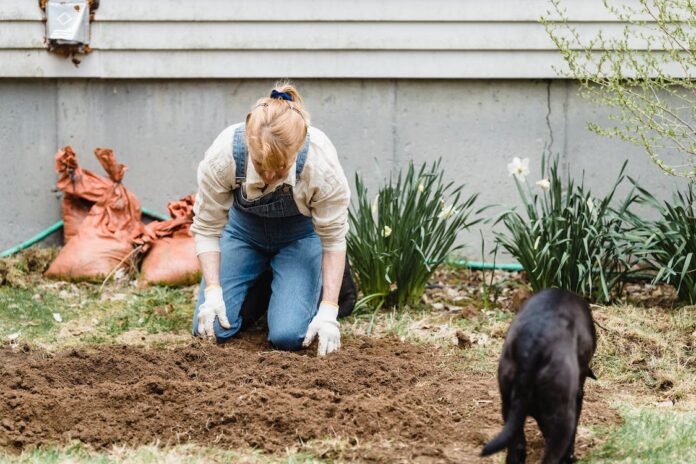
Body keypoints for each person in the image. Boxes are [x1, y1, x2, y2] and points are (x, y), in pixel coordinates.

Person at [190, 82, 350, 356]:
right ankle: (266, 282)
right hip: (243, 233)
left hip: (299, 238)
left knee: (289, 336)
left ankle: (313, 283)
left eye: (279, 169)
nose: (267, 177)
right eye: (261, 166)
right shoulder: (225, 154)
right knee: (212, 330)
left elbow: (334, 240)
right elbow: (206, 227)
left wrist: (329, 311)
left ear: (297, 149)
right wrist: (214, 292)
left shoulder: (320, 164)